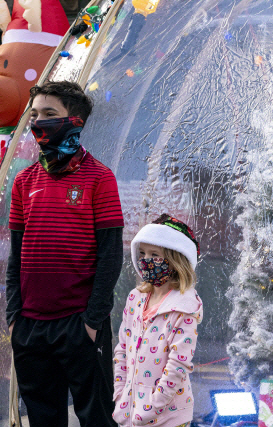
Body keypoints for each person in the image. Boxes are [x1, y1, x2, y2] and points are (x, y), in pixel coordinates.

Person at [6, 80, 124, 426]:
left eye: (49, 114)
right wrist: (15, 318)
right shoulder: (24, 182)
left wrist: (91, 321)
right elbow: (17, 257)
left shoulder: (100, 178)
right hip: (30, 326)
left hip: (80, 325)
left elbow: (110, 256)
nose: (38, 122)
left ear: (75, 122)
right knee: (43, 419)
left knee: (97, 417)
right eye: (34, 114)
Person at [112, 214, 203, 427]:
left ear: (175, 260)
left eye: (155, 254)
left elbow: (178, 364)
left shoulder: (185, 308)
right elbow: (122, 349)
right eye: (142, 253)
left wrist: (153, 405)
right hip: (130, 412)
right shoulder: (135, 298)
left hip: (168, 417)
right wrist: (120, 394)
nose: (146, 260)